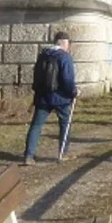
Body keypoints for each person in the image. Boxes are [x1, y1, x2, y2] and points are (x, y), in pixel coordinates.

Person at [23, 31, 77, 166]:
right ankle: (63, 153)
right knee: (65, 123)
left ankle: (29, 156)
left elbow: (36, 75)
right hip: (60, 98)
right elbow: (67, 79)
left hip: (42, 97)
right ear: (65, 43)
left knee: (36, 125)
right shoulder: (65, 57)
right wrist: (74, 91)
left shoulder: (42, 55)